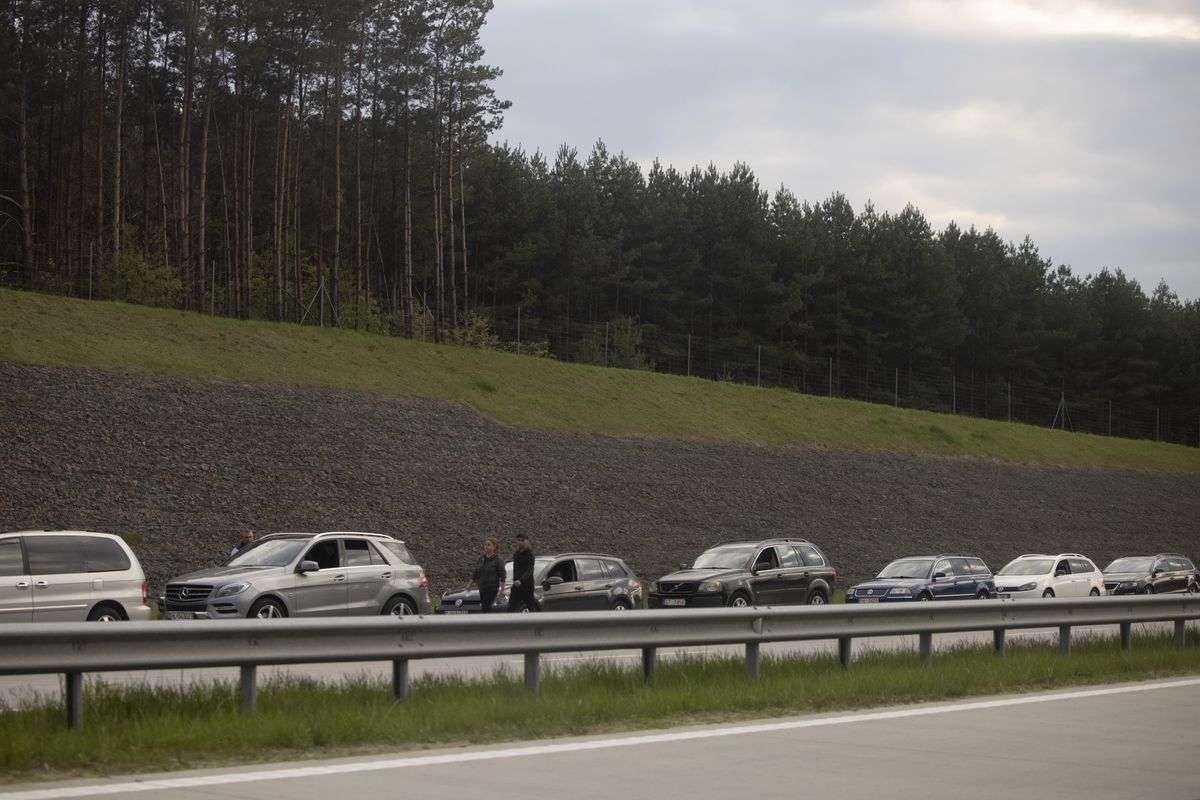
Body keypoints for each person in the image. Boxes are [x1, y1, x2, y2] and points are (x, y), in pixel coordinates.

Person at [469, 537, 506, 613]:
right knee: (484, 607)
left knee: (486, 607)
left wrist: (502, 589)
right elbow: (476, 572)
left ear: (494, 547)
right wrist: (469, 584)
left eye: (489, 545)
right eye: (485, 544)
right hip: (482, 587)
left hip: (492, 588)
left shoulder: (498, 560)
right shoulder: (481, 559)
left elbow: (502, 575)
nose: (486, 546)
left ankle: (486, 623)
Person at [508, 533, 541, 612]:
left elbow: (529, 570)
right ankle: (509, 623)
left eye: (522, 540)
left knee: (530, 606)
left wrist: (521, 580)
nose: (520, 542)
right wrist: (515, 580)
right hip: (516, 586)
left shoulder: (530, 554)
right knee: (510, 607)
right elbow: (515, 568)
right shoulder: (516, 554)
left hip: (527, 586)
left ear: (527, 541)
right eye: (519, 540)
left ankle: (533, 622)